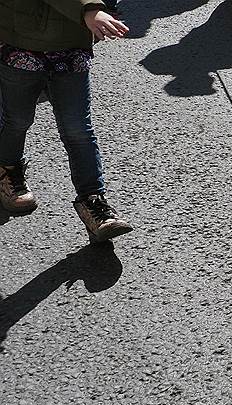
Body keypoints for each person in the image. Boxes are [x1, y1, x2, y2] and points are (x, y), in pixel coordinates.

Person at [0, 0, 133, 242]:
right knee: (16, 120)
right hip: (19, 41)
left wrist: (100, 8)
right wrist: (90, 8)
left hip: (72, 44)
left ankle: (93, 203)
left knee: (78, 130)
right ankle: (8, 171)